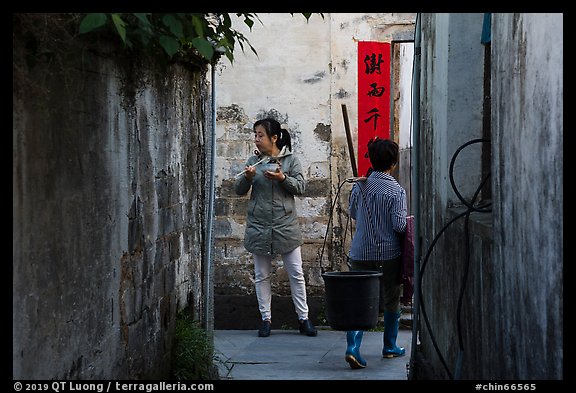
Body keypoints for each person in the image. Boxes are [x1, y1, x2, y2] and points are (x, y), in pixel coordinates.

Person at [234, 117, 318, 338]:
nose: (257, 139)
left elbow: (300, 187)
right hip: (259, 225)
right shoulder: (254, 161)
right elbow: (238, 189)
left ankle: (303, 318)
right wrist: (248, 177)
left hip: (285, 225)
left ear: (274, 138)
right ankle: (266, 319)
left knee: (296, 273)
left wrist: (282, 178)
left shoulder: (290, 160)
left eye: (260, 135)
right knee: (262, 274)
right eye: (255, 135)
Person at [344, 137, 407, 369]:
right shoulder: (396, 190)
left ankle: (352, 348)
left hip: (360, 252)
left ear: (371, 158)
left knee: (357, 300)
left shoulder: (360, 186)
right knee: (392, 298)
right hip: (388, 254)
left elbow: (352, 213)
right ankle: (390, 346)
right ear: (393, 163)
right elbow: (399, 225)